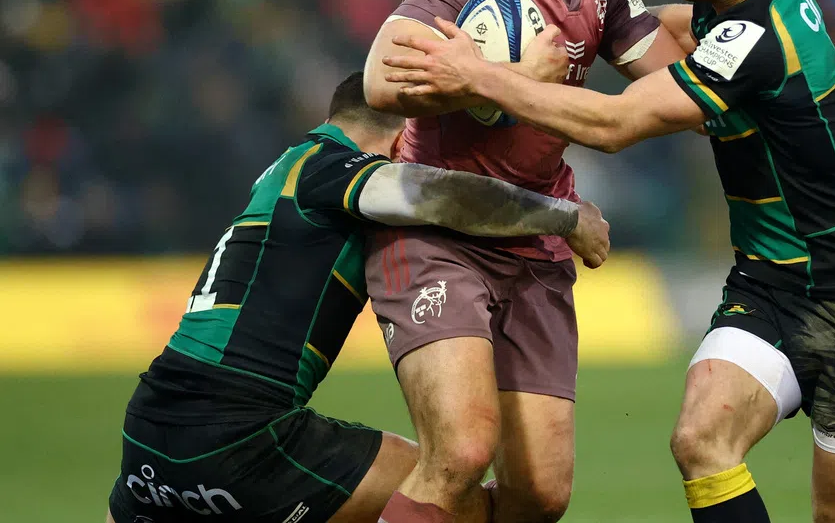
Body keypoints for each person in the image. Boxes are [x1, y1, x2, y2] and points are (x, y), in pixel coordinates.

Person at [383, 0, 835, 523]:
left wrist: (480, 75)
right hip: (769, 287)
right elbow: (679, 25)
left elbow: (613, 126)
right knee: (700, 441)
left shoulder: (756, 42)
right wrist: (582, 26)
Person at [360, 0, 688, 523]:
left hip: (535, 242)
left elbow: (675, 86)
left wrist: (746, 36)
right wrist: (489, 78)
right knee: (461, 451)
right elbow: (380, 80)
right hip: (439, 233)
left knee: (540, 494)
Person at [105, 72, 610, 523]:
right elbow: (440, 195)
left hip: (148, 426)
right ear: (404, 137)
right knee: (447, 497)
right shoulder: (330, 167)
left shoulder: (289, 168)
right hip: (239, 429)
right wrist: (564, 217)